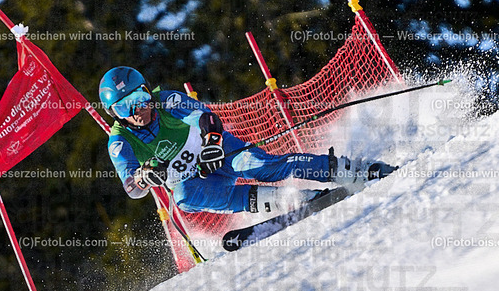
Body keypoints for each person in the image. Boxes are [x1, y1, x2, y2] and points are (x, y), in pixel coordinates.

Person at [99, 66, 396, 214]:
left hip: (222, 154)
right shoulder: (120, 142)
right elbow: (131, 188)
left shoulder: (166, 101)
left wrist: (213, 142)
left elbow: (206, 117)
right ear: (115, 114)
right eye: (125, 107)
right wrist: (143, 177)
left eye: (140, 98)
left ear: (148, 92)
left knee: (264, 167)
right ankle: (293, 201)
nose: (138, 110)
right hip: (198, 179)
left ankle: (355, 170)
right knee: (184, 199)